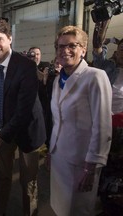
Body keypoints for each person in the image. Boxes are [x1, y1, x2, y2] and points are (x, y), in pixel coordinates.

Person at [0, 18, 41, 216]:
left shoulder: (26, 67)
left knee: (27, 182)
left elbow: (24, 111)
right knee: (3, 177)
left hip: (28, 131)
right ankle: (0, 212)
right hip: (4, 129)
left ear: (10, 39)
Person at [49, 25, 112, 216]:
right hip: (59, 158)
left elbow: (102, 127)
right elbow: (57, 120)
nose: (64, 50)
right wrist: (51, 151)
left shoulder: (95, 77)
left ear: (83, 50)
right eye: (60, 46)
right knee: (60, 208)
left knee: (77, 211)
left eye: (72, 46)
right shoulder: (58, 80)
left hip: (81, 163)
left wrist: (91, 167)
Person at [92, 19, 123, 114]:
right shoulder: (106, 66)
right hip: (103, 116)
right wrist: (104, 22)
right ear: (116, 52)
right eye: (122, 49)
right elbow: (98, 47)